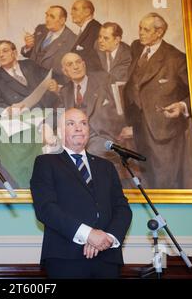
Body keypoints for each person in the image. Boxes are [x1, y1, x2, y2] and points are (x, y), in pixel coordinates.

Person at [30, 108, 132, 278]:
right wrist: (89, 234)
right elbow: (46, 209)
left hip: (107, 258)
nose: (79, 128)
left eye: (83, 123)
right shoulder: (46, 162)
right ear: (60, 132)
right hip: (66, 258)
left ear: (88, 131)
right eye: (71, 123)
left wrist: (106, 238)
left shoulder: (106, 166)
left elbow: (122, 208)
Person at [121, 12, 192, 188]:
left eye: (146, 30)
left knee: (164, 183)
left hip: (164, 132)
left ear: (159, 32)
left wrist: (181, 105)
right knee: (143, 181)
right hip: (138, 128)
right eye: (140, 28)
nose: (140, 32)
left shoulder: (176, 59)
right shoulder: (136, 47)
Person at [0, 40, 60, 112]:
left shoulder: (30, 64)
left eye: (5, 51)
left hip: (51, 111)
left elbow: (49, 76)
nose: (1, 55)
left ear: (14, 53)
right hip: (24, 118)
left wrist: (55, 86)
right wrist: (9, 110)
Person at [21, 6, 76, 76]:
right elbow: (28, 53)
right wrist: (28, 47)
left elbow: (68, 69)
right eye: (47, 15)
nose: (47, 19)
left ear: (62, 20)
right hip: (30, 76)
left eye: (52, 17)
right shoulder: (40, 29)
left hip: (52, 81)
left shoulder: (72, 39)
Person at [70, 0, 102, 72]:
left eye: (75, 9)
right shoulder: (87, 29)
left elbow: (97, 62)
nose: (71, 13)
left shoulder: (96, 29)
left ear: (87, 12)